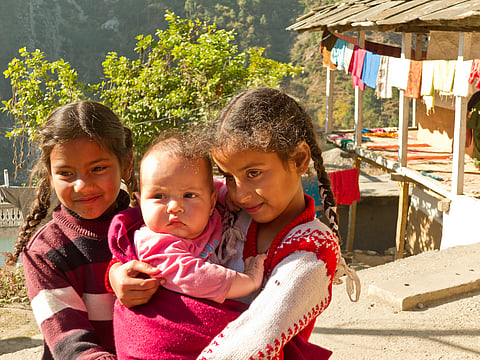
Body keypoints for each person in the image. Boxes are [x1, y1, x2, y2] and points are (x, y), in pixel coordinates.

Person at [109, 87, 360, 359]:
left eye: (254, 173)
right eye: (229, 176)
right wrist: (116, 274)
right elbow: (153, 237)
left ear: (299, 159)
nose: (240, 193)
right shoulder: (224, 207)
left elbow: (251, 341)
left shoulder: (311, 254)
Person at [4, 101, 161, 359]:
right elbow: (71, 343)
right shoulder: (45, 252)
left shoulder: (152, 226)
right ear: (50, 176)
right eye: (66, 173)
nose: (82, 186)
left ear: (126, 161)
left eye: (98, 169)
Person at [108, 134, 266, 359]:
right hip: (158, 340)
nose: (175, 207)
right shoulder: (153, 241)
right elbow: (195, 276)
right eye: (159, 196)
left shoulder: (213, 211)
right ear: (140, 201)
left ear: (211, 202)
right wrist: (249, 279)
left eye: (189, 195)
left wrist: (225, 194)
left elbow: (213, 185)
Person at [467, 91, 480, 169]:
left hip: (476, 121)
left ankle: (478, 163)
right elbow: (469, 107)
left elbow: (469, 107)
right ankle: (478, 163)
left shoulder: (477, 95)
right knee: (477, 141)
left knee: (477, 142)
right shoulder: (477, 95)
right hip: (477, 121)